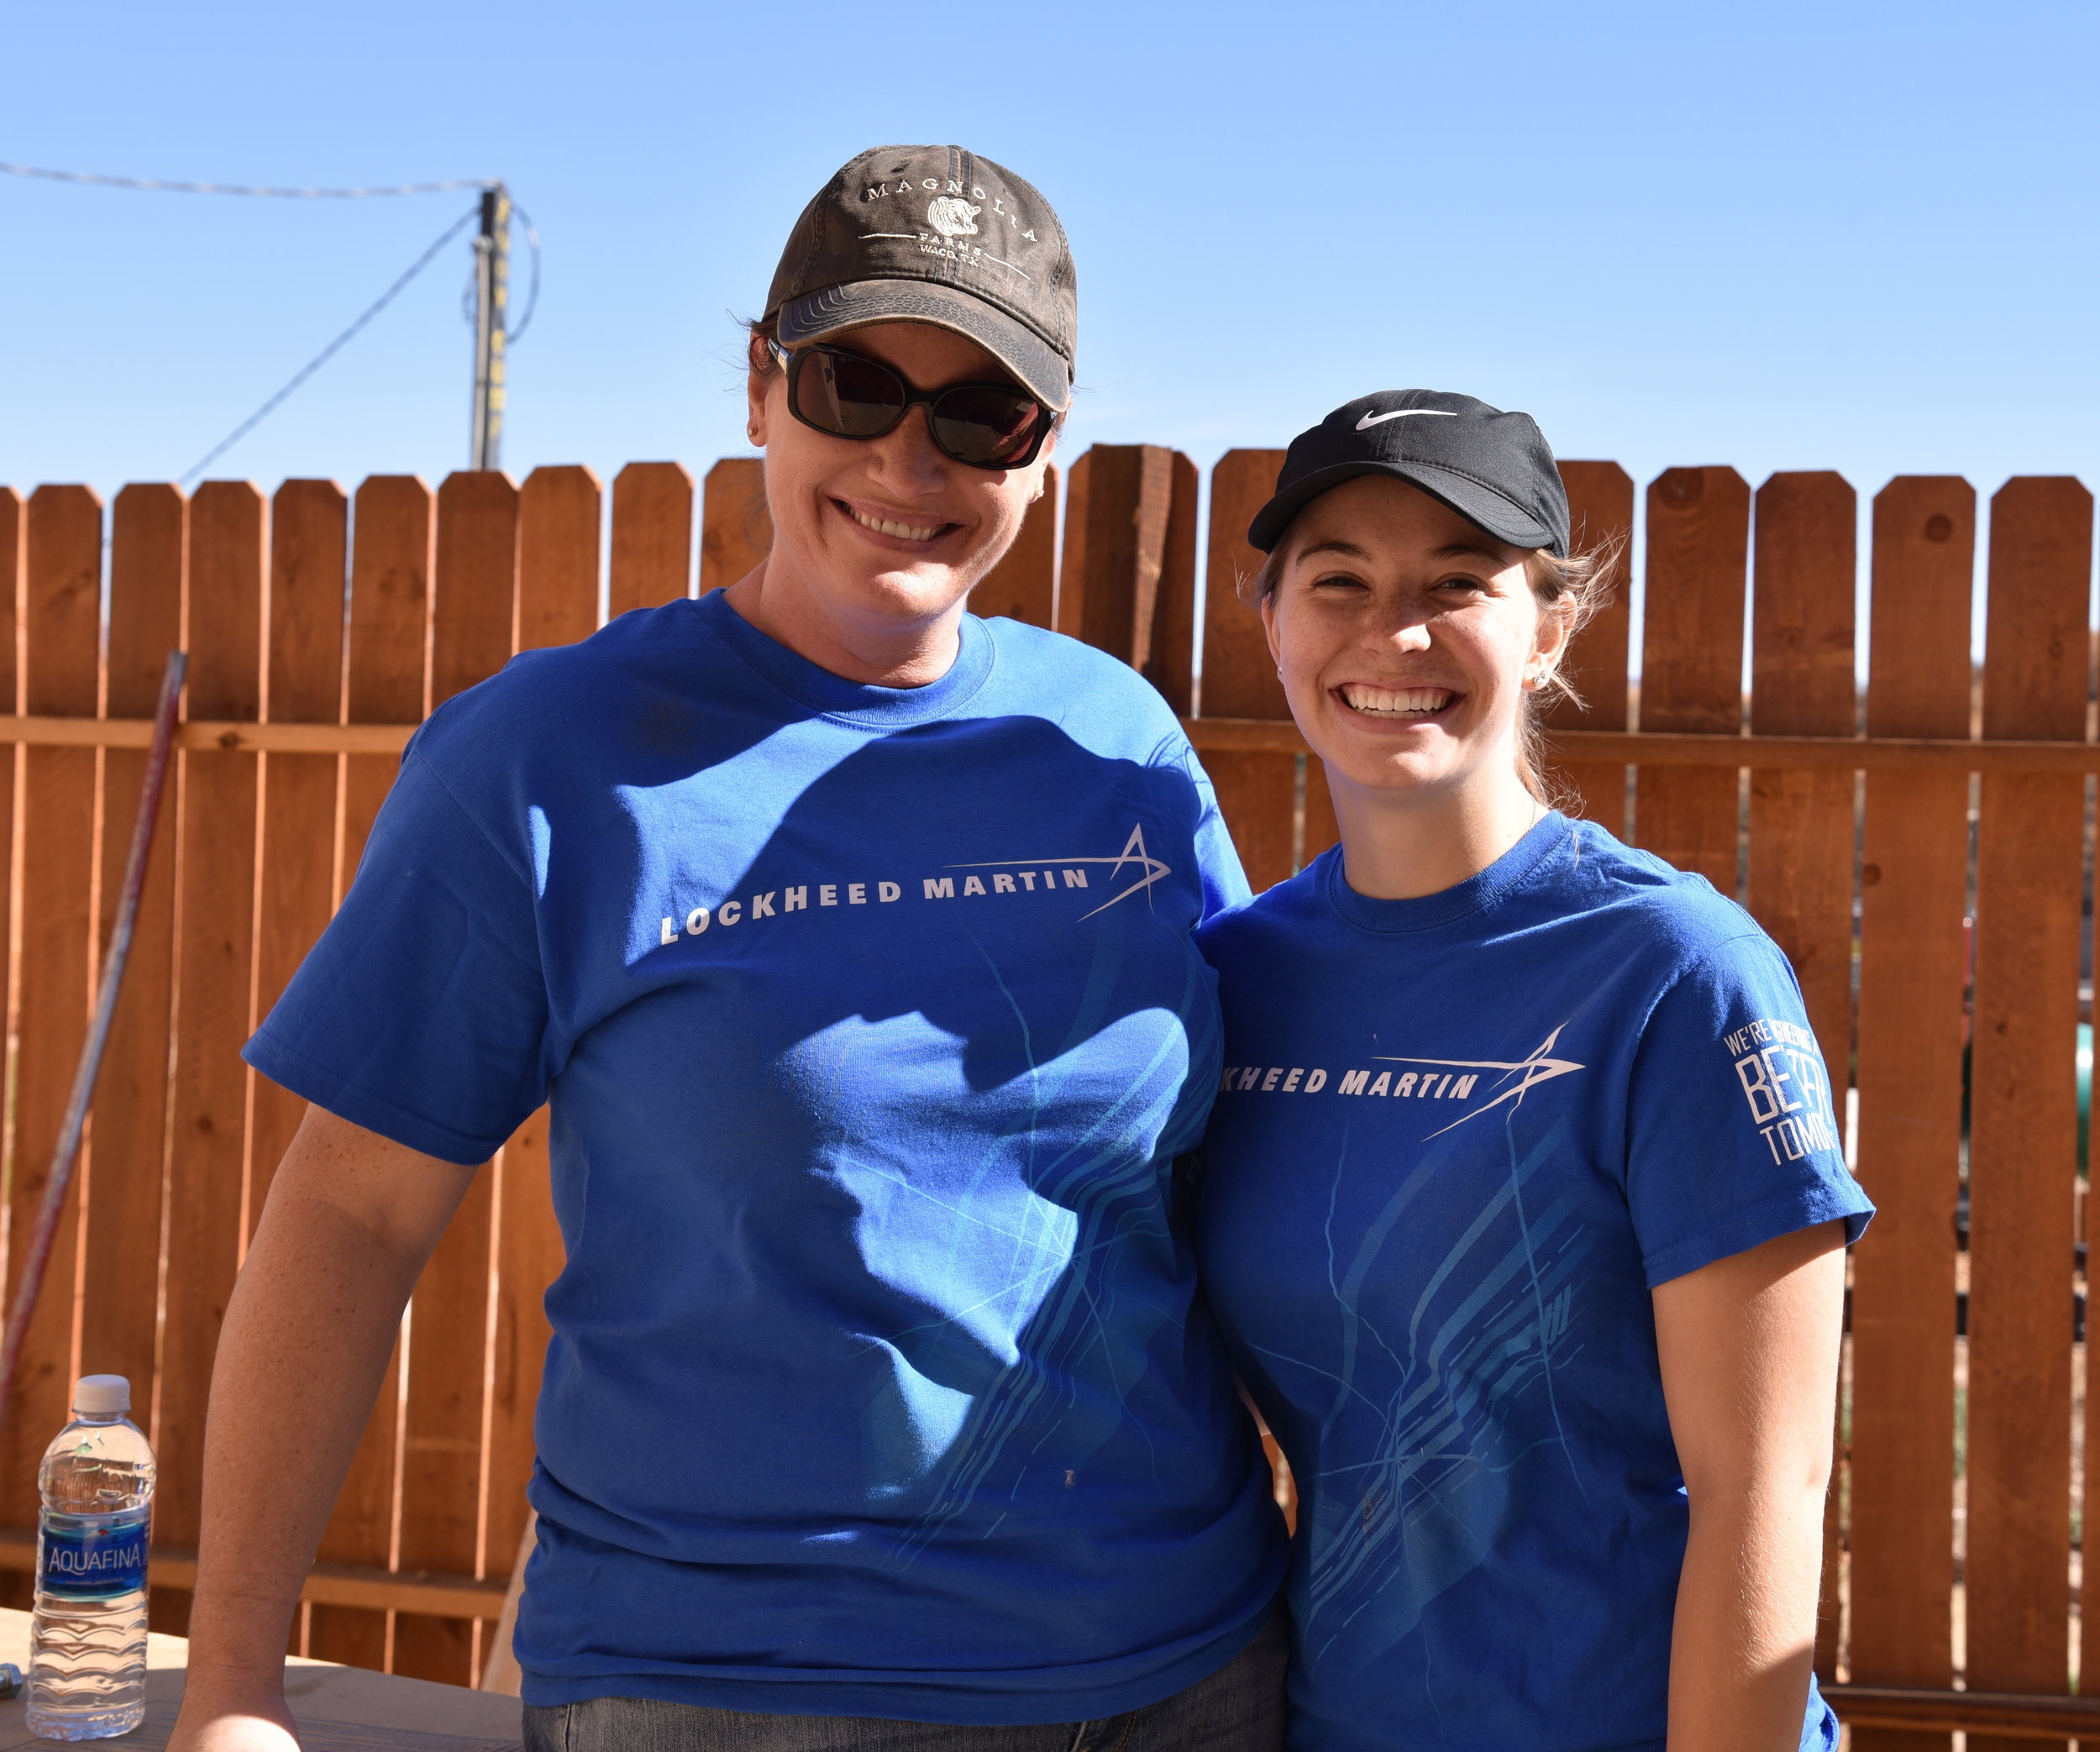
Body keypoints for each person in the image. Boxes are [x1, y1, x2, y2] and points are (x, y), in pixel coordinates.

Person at [170, 145, 1287, 1752]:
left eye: (985, 413)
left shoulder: (1117, 743)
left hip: (1189, 1672)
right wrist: (231, 1693)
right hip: (739, 1691)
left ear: (1044, 454)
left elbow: (1227, 1174)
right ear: (760, 387)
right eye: (856, 383)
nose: (913, 458)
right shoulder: (549, 760)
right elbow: (345, 1217)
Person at [1191, 392, 1874, 1752]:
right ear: (1273, 624)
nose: (1396, 635)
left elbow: (1764, 1484)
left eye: (1459, 583)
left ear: (1550, 629)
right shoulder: (1237, 979)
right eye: (1341, 582)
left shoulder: (1673, 973)